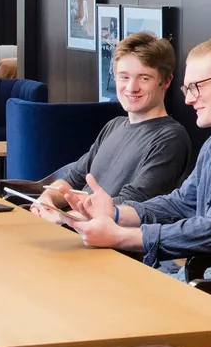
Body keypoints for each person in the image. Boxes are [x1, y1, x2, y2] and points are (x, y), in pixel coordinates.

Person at [61, 34, 211, 269]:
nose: (189, 99)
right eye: (187, 89)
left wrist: (121, 236)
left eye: (196, 87)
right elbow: (181, 204)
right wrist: (116, 213)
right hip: (205, 279)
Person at [28, 33, 192, 220]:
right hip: (72, 229)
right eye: (124, 77)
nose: (131, 87)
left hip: (110, 244)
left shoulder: (171, 138)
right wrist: (47, 199)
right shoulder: (114, 126)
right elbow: (73, 179)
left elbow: (132, 206)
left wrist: (63, 218)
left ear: (166, 81)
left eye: (144, 78)